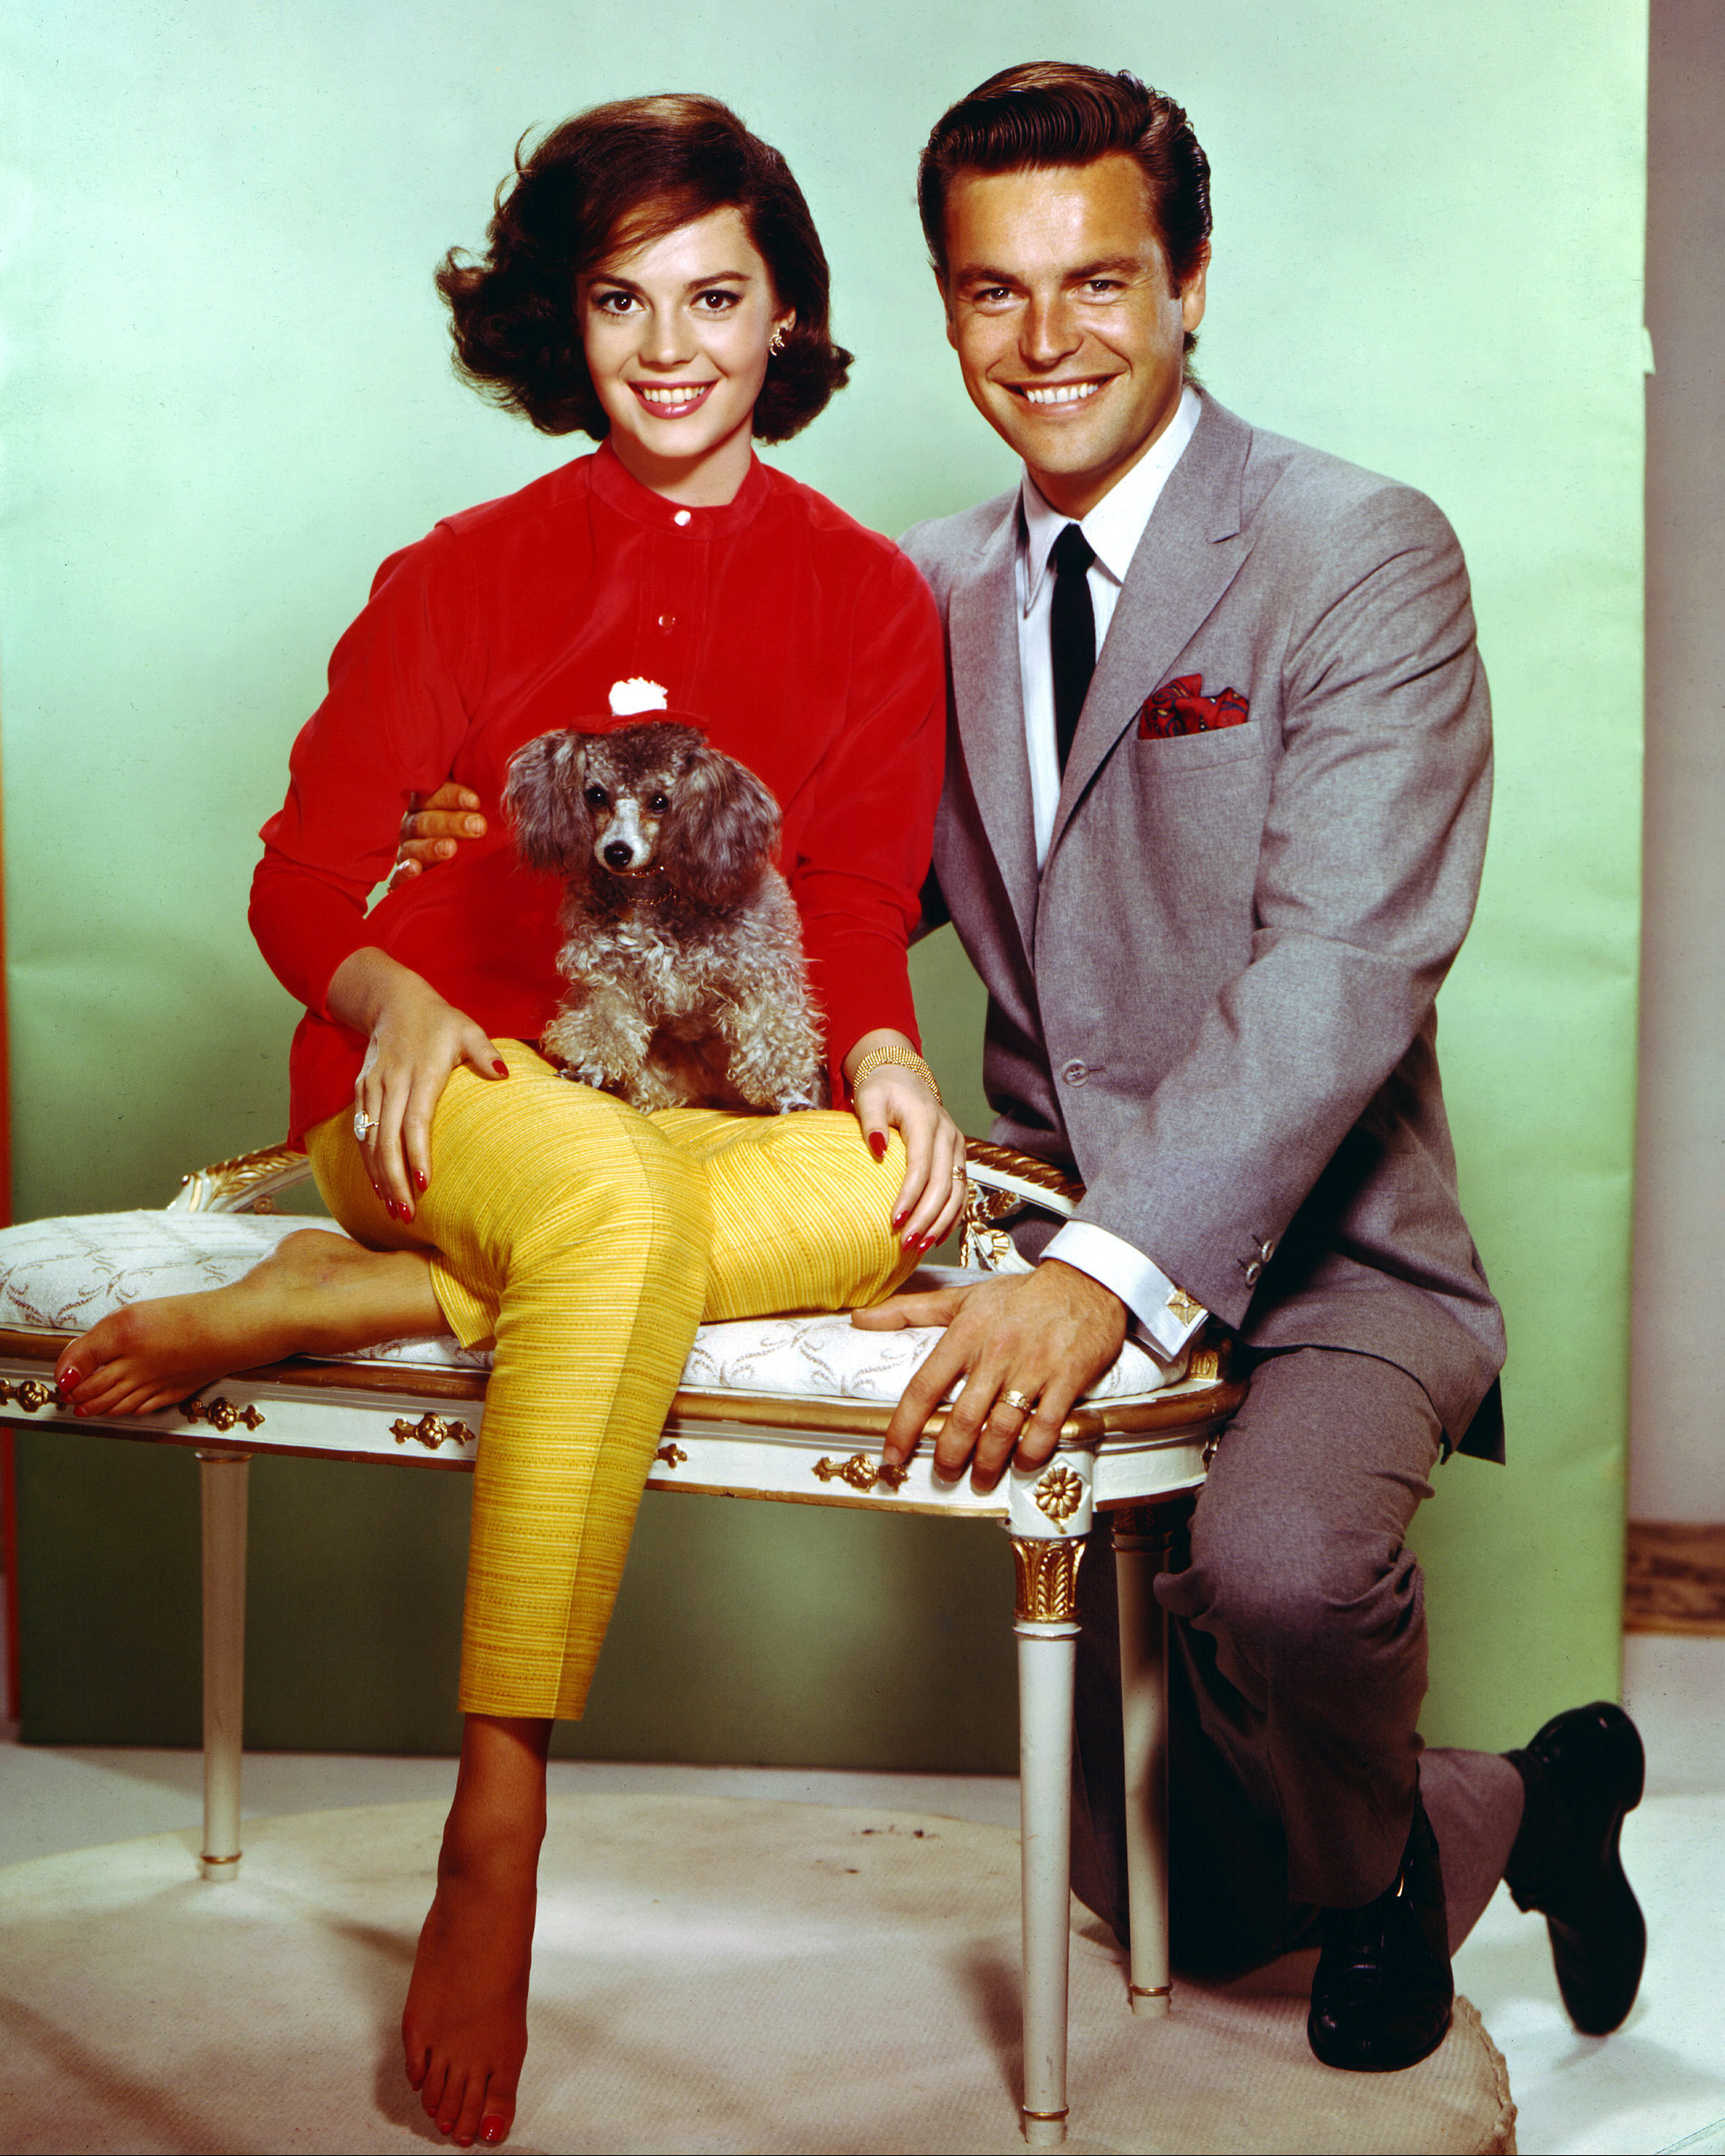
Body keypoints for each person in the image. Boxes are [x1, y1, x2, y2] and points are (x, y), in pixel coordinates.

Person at [55, 95, 962, 2150]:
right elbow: (303, 880)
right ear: (569, 322)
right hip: (441, 1074)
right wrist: (383, 988)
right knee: (611, 1215)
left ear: (787, 315)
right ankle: (499, 1811)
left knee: (895, 1198)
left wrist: (893, 1063)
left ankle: (344, 1290)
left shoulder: (869, 599)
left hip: (701, 1105)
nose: (671, 348)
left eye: (716, 298)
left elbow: (844, 908)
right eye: (622, 299)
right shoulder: (457, 575)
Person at [838, 61, 1645, 2073]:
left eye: (1098, 281)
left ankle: (1391, 1891)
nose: (1048, 342)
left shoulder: (1357, 548)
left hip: (1334, 1257)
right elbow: (833, 898)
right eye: (994, 294)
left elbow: (1344, 968)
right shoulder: (919, 589)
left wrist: (1097, 1276)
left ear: (1190, 279)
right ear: (945, 312)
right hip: (1042, 1235)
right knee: (1164, 1890)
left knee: (1278, 1576)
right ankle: (1528, 1803)